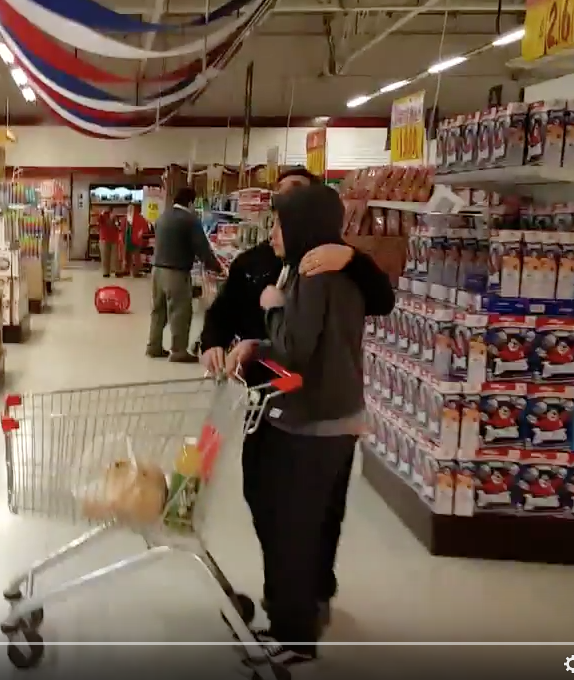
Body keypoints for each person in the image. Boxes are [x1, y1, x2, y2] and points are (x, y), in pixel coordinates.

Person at [201, 166, 394, 663]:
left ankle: (294, 634)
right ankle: (295, 616)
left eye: (279, 224)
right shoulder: (326, 272)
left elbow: (292, 352)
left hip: (308, 420)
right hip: (321, 416)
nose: (271, 234)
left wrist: (263, 327)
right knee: (292, 517)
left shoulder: (315, 276)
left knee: (291, 527)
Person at [148, 188, 222, 363]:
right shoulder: (189, 220)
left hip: (157, 270)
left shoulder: (163, 216)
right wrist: (218, 268)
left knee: (158, 310)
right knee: (180, 311)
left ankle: (153, 346)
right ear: (190, 203)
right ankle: (179, 350)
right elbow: (202, 248)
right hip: (176, 272)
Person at [123, 204, 151, 277]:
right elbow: (122, 228)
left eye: (131, 209)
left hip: (135, 240)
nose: (129, 210)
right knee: (127, 256)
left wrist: (140, 234)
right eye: (128, 209)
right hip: (128, 239)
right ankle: (127, 270)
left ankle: (135, 272)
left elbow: (144, 228)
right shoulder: (126, 218)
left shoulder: (139, 218)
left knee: (136, 257)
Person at [97, 208, 122, 278]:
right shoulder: (102, 216)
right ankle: (106, 272)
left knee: (114, 256)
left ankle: (116, 271)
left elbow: (118, 226)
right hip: (105, 238)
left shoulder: (115, 217)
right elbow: (99, 221)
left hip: (113, 239)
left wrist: (115, 221)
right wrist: (101, 214)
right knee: (106, 256)